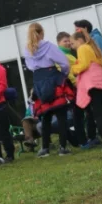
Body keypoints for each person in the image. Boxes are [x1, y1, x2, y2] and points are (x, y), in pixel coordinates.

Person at [23, 24, 73, 157]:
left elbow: (29, 66)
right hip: (52, 77)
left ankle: (44, 149)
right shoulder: (49, 46)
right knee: (61, 115)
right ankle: (63, 147)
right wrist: (64, 74)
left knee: (45, 116)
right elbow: (64, 63)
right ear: (42, 32)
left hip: (38, 80)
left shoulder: (27, 50)